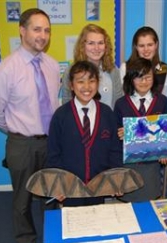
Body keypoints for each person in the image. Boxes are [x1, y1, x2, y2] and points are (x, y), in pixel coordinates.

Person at [0, 8, 60, 243]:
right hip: (22, 144)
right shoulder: (4, 70)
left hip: (50, 142)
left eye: (47, 30)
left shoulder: (52, 66)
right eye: (36, 28)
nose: (43, 35)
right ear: (22, 30)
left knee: (52, 192)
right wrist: (20, 132)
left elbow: (54, 103)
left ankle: (53, 238)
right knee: (23, 198)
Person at [46, 61, 122, 206]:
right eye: (80, 81)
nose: (86, 87)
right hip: (71, 188)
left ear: (98, 83)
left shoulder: (107, 113)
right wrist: (57, 183)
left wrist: (116, 178)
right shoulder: (60, 116)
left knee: (97, 224)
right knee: (75, 224)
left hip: (99, 187)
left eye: (92, 81)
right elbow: (53, 154)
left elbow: (114, 150)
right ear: (71, 85)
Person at [114, 57, 167, 202]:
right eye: (139, 77)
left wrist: (164, 150)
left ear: (154, 77)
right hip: (128, 165)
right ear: (131, 79)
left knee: (149, 205)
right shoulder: (121, 104)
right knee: (129, 208)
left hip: (152, 166)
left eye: (148, 77)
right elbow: (115, 138)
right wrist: (122, 134)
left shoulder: (162, 101)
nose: (144, 81)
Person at [61, 24, 123, 109]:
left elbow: (118, 102)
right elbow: (66, 103)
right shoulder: (71, 71)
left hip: (107, 121)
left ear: (106, 46)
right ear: (83, 45)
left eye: (100, 43)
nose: (96, 48)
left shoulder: (112, 70)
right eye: (91, 43)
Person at [120, 26, 167, 95]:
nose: (146, 49)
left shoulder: (164, 68)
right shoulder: (125, 67)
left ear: (156, 45)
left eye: (150, 45)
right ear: (136, 47)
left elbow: (165, 97)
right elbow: (122, 96)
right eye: (141, 46)